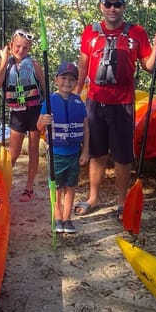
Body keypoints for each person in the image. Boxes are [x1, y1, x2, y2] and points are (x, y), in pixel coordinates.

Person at [73, 0, 156, 218]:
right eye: (108, 4)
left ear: (123, 7)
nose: (112, 9)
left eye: (117, 4)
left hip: (123, 103)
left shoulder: (136, 32)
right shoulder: (89, 33)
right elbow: (83, 69)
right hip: (95, 101)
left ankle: (121, 202)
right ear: (101, 7)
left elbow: (149, 66)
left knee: (123, 155)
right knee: (97, 153)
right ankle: (93, 197)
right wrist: (74, 97)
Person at [0, 29, 46, 201]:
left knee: (33, 148)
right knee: (13, 153)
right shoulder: (7, 63)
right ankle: (2, 185)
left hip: (35, 110)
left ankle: (29, 187)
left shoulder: (34, 64)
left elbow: (44, 88)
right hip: (17, 112)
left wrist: (46, 111)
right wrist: (3, 59)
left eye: (25, 48)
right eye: (17, 46)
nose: (20, 50)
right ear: (11, 46)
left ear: (29, 49)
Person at [38, 61, 89, 234]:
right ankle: (57, 217)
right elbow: (38, 126)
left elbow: (86, 128)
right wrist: (43, 122)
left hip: (74, 153)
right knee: (57, 188)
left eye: (72, 79)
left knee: (71, 187)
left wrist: (86, 151)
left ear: (76, 83)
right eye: (64, 78)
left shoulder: (79, 102)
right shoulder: (50, 101)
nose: (67, 82)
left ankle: (68, 219)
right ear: (56, 80)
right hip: (56, 153)